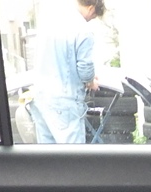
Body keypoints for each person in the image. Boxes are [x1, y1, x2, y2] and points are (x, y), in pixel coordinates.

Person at [30, 0, 104, 144]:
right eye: (93, 17)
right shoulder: (83, 30)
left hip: (40, 98)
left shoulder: (50, 22)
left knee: (47, 154)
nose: (90, 20)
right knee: (72, 155)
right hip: (63, 104)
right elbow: (85, 69)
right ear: (91, 8)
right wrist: (91, 82)